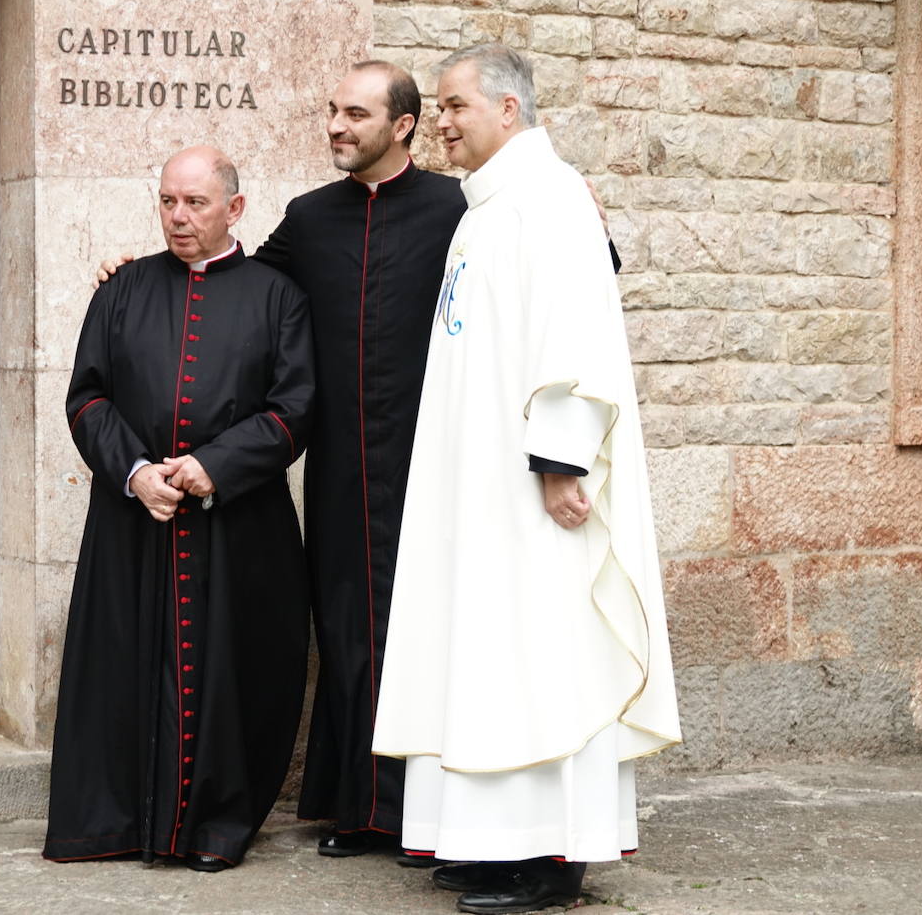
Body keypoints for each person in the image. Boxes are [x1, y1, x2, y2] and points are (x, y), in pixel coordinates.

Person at [97, 61, 620, 863]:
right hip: (341, 463)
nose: (336, 127)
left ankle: (434, 812)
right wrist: (137, 278)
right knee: (346, 626)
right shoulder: (309, 220)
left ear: (403, 125)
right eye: (330, 112)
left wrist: (592, 221)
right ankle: (362, 807)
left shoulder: (462, 206)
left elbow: (565, 271)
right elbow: (233, 280)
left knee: (438, 628)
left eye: (353, 113)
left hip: (439, 457)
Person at [371, 44, 681, 914]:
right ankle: (492, 842)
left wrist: (560, 459)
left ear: (510, 109)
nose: (443, 121)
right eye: (439, 106)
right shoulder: (487, 209)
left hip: (535, 483)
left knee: (543, 653)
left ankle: (554, 856)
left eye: (457, 106)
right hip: (480, 483)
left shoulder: (550, 200)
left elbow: (574, 332)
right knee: (487, 652)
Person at [43, 146, 315, 873]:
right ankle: (117, 822)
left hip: (237, 527)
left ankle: (215, 826)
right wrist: (135, 472)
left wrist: (209, 466)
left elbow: (295, 410)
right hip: (133, 522)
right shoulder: (123, 289)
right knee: (122, 668)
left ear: (235, 209)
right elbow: (87, 397)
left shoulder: (275, 295)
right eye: (168, 201)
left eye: (195, 203)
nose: (178, 216)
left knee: (235, 674)